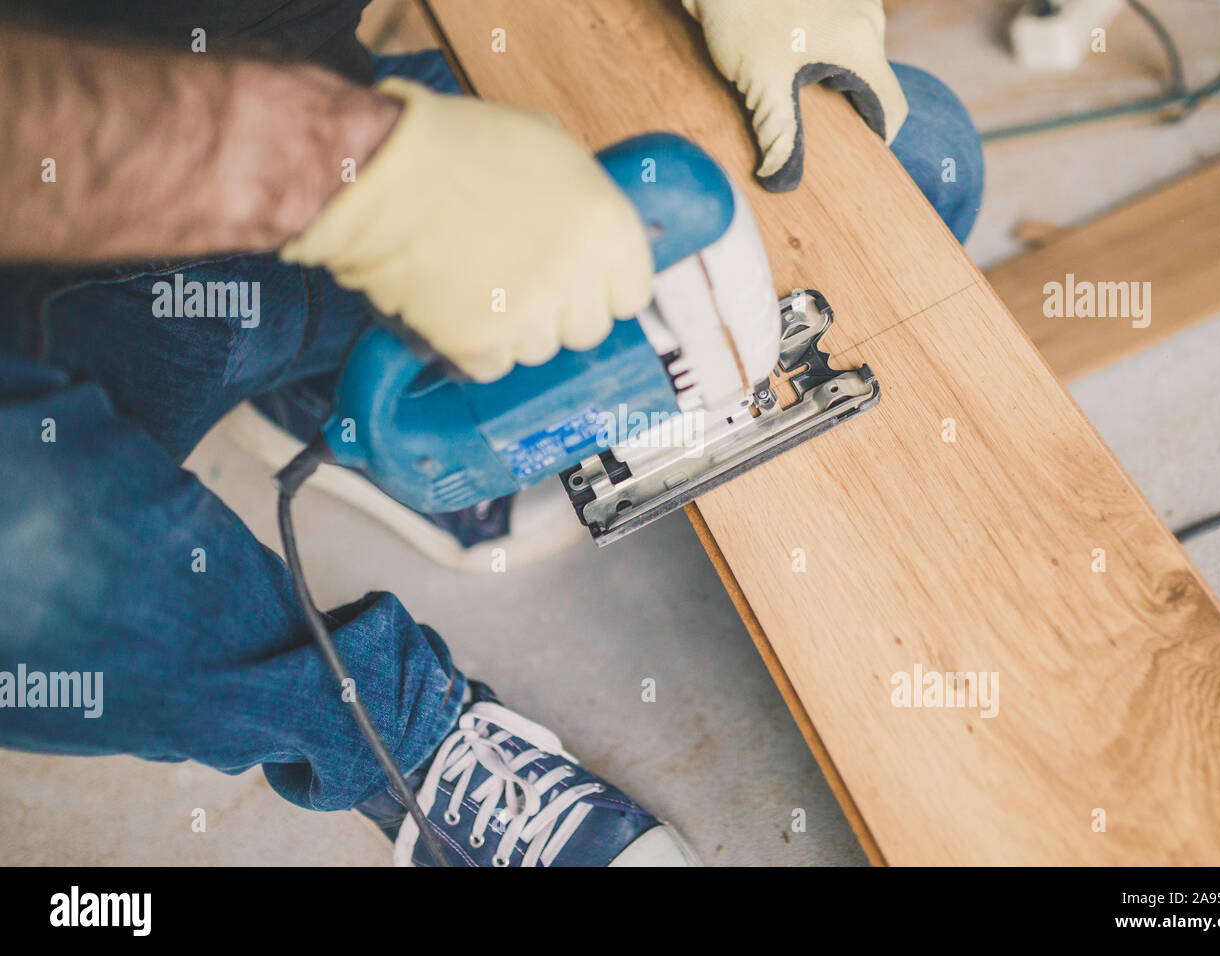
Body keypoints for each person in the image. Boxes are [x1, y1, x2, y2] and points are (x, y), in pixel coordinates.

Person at [0, 0, 983, 867]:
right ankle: (394, 732)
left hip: (310, 122)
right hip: (58, 295)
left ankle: (328, 396)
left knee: (909, 157)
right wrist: (351, 177)